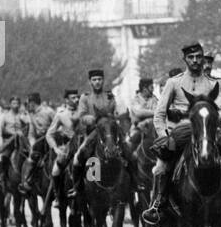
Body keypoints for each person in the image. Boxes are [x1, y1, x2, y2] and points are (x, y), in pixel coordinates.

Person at [142, 44, 221, 224]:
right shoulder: (173, 83)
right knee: (162, 166)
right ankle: (158, 204)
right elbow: (159, 114)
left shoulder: (213, 83)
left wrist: (214, 119)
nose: (195, 61)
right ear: (184, 59)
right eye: (191, 57)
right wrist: (164, 135)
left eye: (199, 57)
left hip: (208, 129)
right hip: (181, 131)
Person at [68, 67, 138, 197]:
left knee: (131, 155)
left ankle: (134, 184)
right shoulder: (85, 98)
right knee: (79, 157)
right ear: (90, 82)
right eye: (94, 80)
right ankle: (77, 187)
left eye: (99, 79)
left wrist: (119, 115)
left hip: (110, 130)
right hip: (94, 132)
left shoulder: (110, 96)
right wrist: (93, 119)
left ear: (103, 80)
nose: (97, 82)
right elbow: (82, 116)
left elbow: (117, 111)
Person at [20, 92, 58, 193]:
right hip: (40, 143)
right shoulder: (32, 115)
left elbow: (58, 125)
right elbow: (31, 134)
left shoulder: (49, 111)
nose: (28, 106)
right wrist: (33, 145)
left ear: (33, 103)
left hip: (52, 139)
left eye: (29, 103)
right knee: (31, 158)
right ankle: (28, 181)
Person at [45, 90, 81, 183]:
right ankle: (58, 196)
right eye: (73, 98)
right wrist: (56, 148)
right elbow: (49, 134)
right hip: (69, 148)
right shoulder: (61, 114)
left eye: (77, 97)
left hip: (83, 145)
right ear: (66, 100)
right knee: (55, 170)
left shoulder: (83, 111)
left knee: (95, 164)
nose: (77, 100)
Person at [126, 77, 159, 146]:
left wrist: (146, 120)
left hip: (153, 127)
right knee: (128, 145)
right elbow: (139, 113)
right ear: (144, 89)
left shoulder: (154, 99)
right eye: (151, 87)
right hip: (137, 128)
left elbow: (158, 113)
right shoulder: (135, 100)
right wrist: (153, 112)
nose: (153, 90)